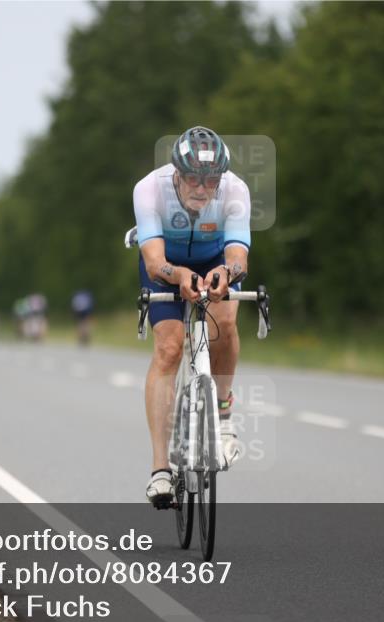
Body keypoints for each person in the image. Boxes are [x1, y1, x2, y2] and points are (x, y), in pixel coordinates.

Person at [133, 126, 250, 505]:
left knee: (227, 322)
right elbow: (153, 261)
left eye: (210, 181)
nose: (202, 189)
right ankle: (160, 470)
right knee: (168, 347)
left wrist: (226, 274)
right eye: (194, 180)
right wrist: (180, 275)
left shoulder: (235, 190)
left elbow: (238, 257)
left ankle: (224, 414)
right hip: (165, 264)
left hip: (213, 260)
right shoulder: (149, 189)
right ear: (177, 175)